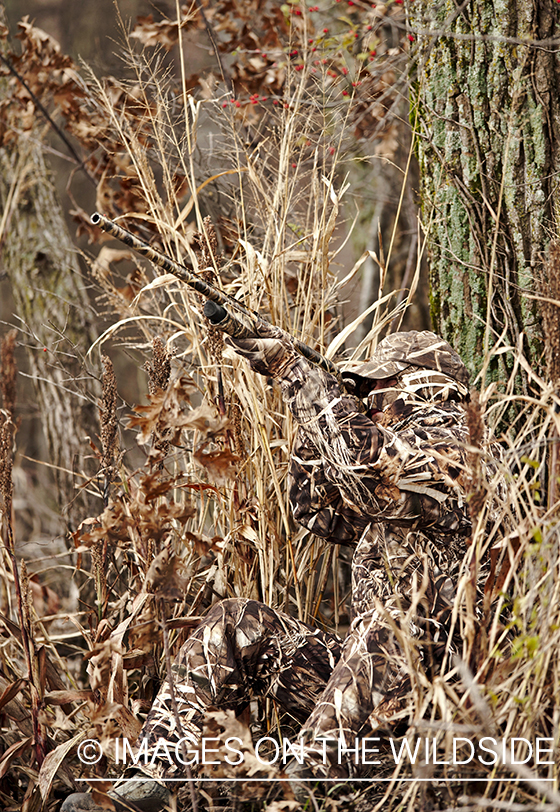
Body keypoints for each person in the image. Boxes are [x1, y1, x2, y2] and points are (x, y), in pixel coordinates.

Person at [63, 327, 494, 812]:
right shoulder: (396, 461)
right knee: (237, 624)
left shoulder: (459, 453)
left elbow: (366, 472)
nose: (369, 398)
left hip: (437, 706)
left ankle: (294, 795)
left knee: (389, 629)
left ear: (423, 389)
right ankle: (149, 788)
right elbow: (316, 505)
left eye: (379, 387)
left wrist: (299, 374)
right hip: (365, 690)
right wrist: (323, 404)